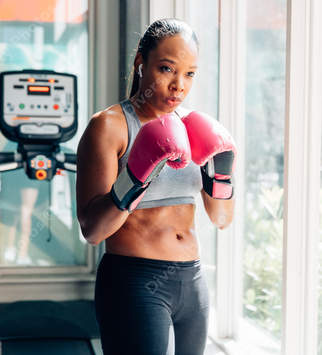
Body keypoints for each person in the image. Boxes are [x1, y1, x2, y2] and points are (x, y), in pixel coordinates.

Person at [76, 18, 236, 354]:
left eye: (189, 73)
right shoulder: (109, 126)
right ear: (141, 63)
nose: (179, 85)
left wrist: (220, 173)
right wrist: (135, 178)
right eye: (167, 68)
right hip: (135, 282)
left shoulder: (193, 128)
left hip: (193, 283)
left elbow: (221, 219)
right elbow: (92, 231)